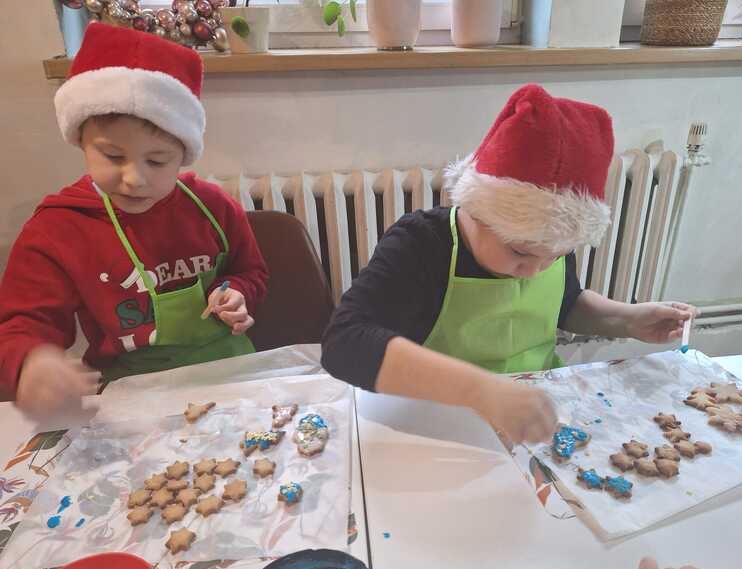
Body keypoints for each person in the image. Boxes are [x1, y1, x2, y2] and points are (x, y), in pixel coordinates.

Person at [322, 84, 694, 444]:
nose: (535, 271)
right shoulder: (420, 245)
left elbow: (565, 304)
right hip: (437, 423)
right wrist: (480, 391)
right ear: (476, 209)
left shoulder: (548, 242)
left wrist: (627, 319)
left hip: (534, 416)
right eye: (519, 253)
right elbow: (344, 344)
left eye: (555, 256)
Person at [0, 23, 268, 414]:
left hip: (230, 377)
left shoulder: (213, 207)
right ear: (80, 140)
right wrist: (30, 362)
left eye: (157, 161)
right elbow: (23, 322)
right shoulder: (57, 230)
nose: (134, 178)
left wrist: (237, 291)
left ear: (183, 155)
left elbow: (250, 270)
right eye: (112, 156)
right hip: (131, 395)